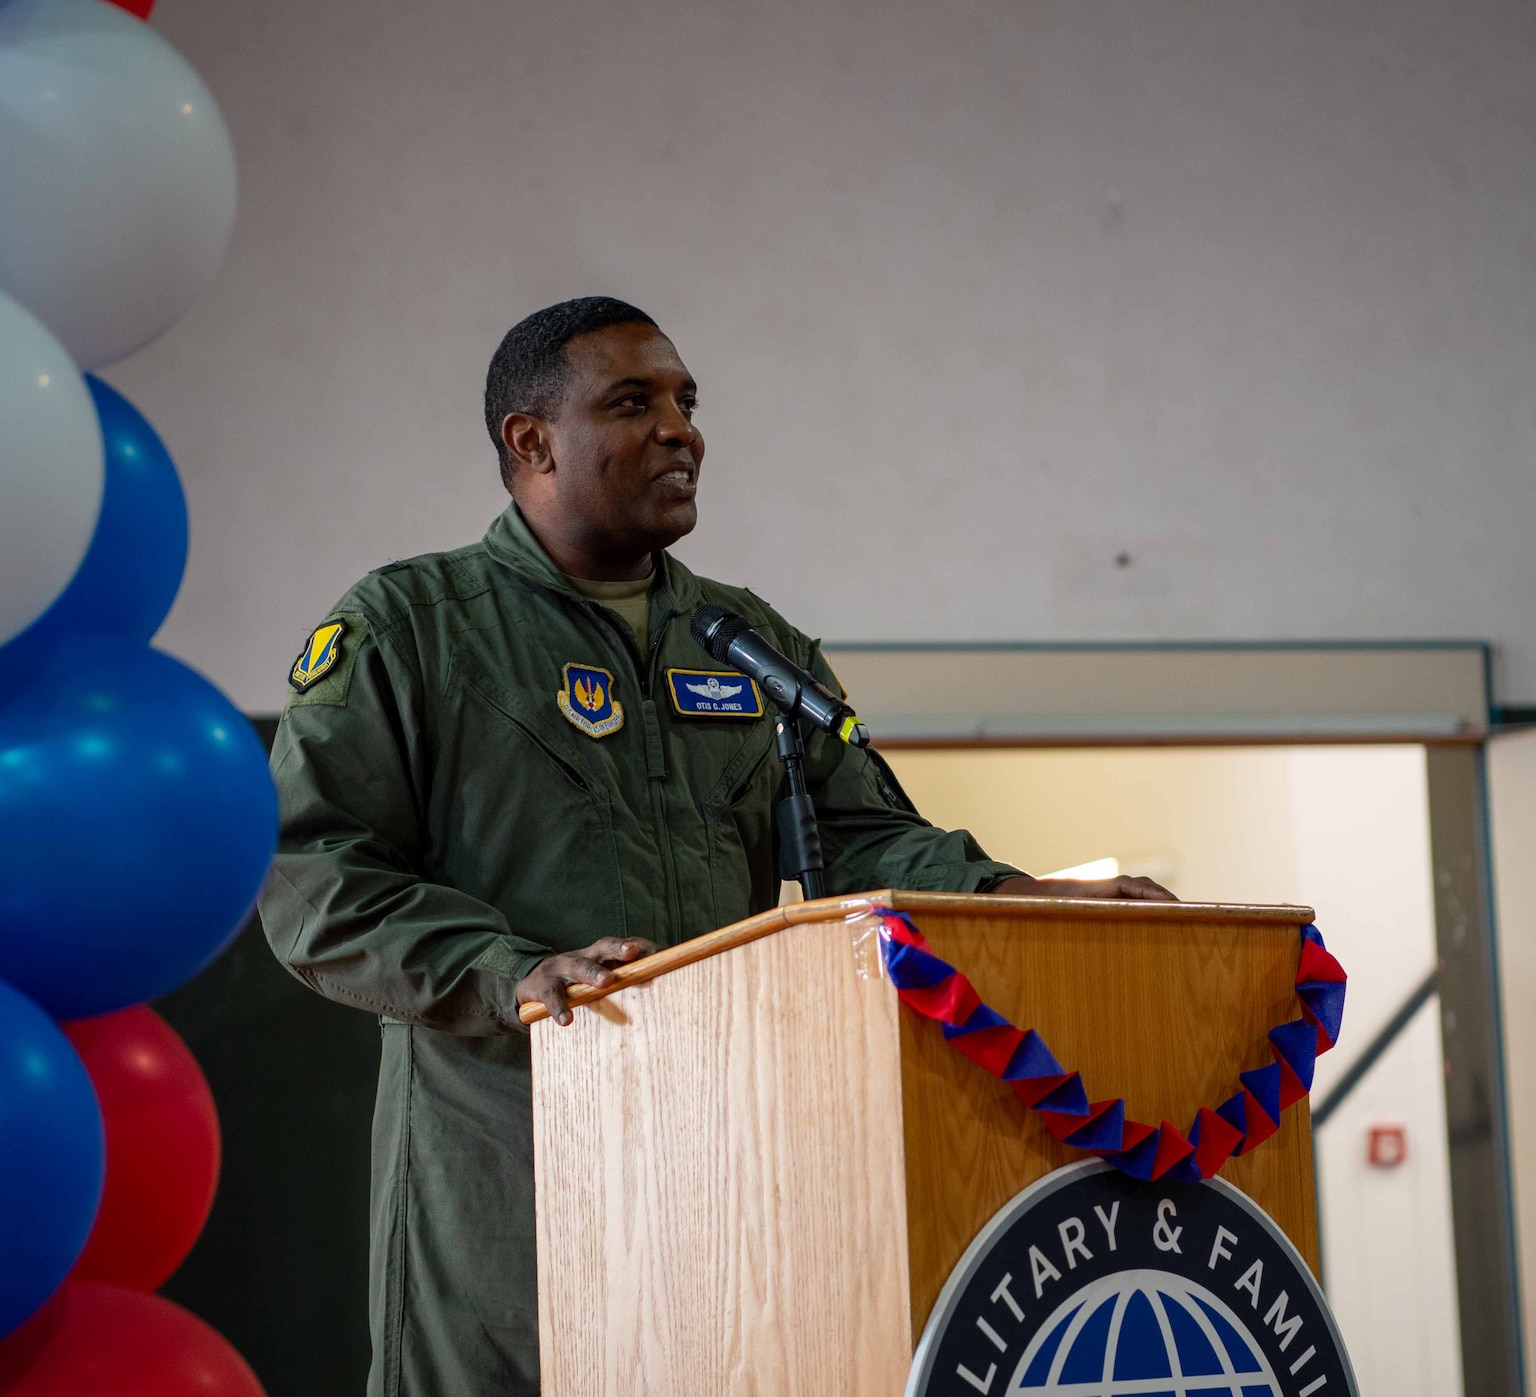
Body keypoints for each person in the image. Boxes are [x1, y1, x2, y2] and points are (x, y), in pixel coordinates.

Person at [259, 296, 1173, 1397]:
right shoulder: (414, 626)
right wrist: (510, 973)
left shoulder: (747, 642)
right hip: (506, 1167)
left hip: (722, 1164)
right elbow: (315, 879)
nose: (679, 429)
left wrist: (1014, 893)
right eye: (632, 402)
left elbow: (868, 837)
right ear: (531, 440)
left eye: (686, 402)